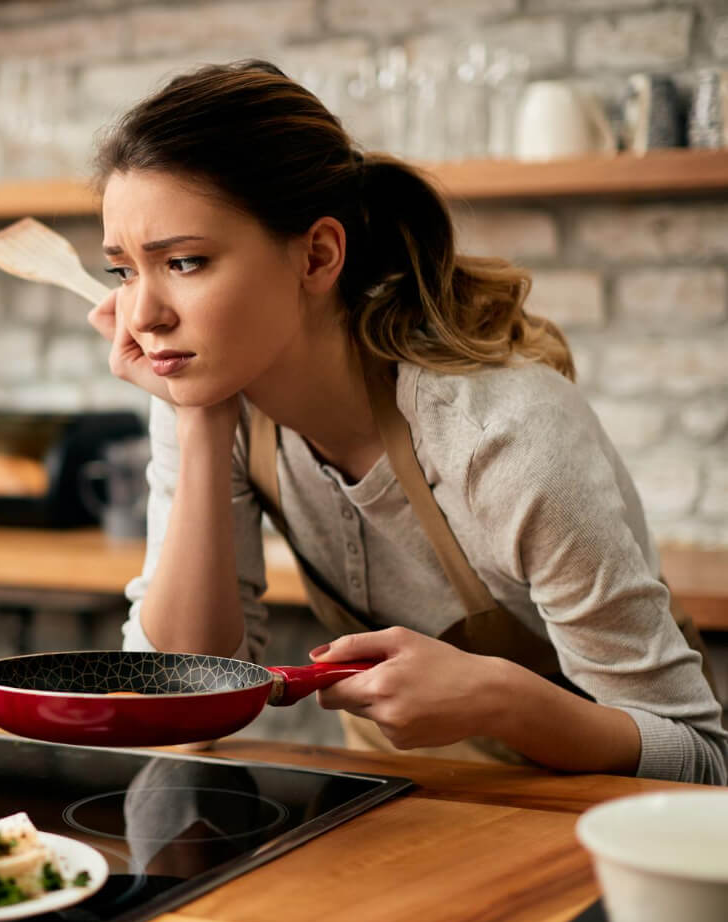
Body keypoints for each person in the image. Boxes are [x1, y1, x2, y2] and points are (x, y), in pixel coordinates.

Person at [88, 60, 727, 784]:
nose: (143, 315)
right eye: (124, 271)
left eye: (186, 261)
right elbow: (175, 701)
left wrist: (496, 698)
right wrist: (197, 424)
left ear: (318, 255)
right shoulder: (206, 392)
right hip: (404, 802)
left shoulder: (503, 436)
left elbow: (700, 761)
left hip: (585, 817)